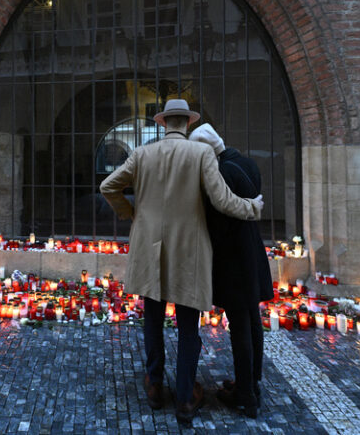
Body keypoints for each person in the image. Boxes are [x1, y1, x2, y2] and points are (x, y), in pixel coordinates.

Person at [99, 99, 264, 425]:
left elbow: (108, 185)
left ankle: (155, 385)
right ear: (186, 124)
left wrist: (130, 213)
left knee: (153, 318)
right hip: (190, 251)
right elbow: (223, 200)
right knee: (189, 325)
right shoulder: (201, 154)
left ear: (163, 124)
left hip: (150, 249)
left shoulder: (143, 154)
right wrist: (253, 208)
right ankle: (186, 398)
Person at [189, 123, 273, 419]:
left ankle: (246, 396)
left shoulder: (222, 173)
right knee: (252, 321)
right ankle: (252, 383)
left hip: (234, 260)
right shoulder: (247, 162)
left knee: (240, 327)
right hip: (252, 252)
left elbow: (220, 220)